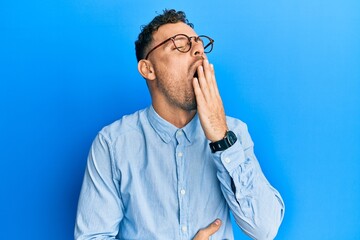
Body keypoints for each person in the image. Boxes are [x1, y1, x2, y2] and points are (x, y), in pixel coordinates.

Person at [75, 9, 285, 240]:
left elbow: (265, 229)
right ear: (148, 69)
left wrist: (221, 139)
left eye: (198, 44)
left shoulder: (233, 133)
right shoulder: (112, 144)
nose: (198, 50)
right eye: (180, 44)